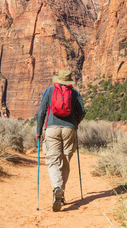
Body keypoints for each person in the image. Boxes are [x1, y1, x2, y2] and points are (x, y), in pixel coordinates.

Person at [35, 69, 86, 212]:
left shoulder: (50, 91)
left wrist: (38, 130)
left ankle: (56, 188)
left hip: (52, 128)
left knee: (53, 160)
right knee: (65, 161)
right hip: (69, 129)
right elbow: (81, 112)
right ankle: (61, 193)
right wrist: (75, 124)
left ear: (58, 79)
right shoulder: (75, 93)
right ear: (69, 80)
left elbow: (41, 112)